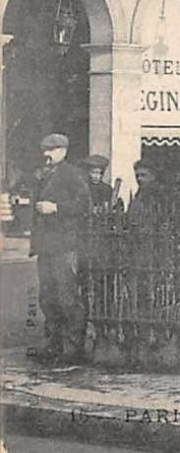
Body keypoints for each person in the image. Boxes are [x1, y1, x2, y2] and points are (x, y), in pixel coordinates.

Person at [29, 133, 91, 365]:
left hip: (66, 245)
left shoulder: (72, 174)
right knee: (47, 297)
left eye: (52, 149)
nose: (46, 154)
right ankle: (53, 343)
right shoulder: (44, 175)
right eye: (45, 149)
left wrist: (56, 208)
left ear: (63, 150)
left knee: (67, 298)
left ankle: (73, 348)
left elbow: (85, 205)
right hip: (46, 245)